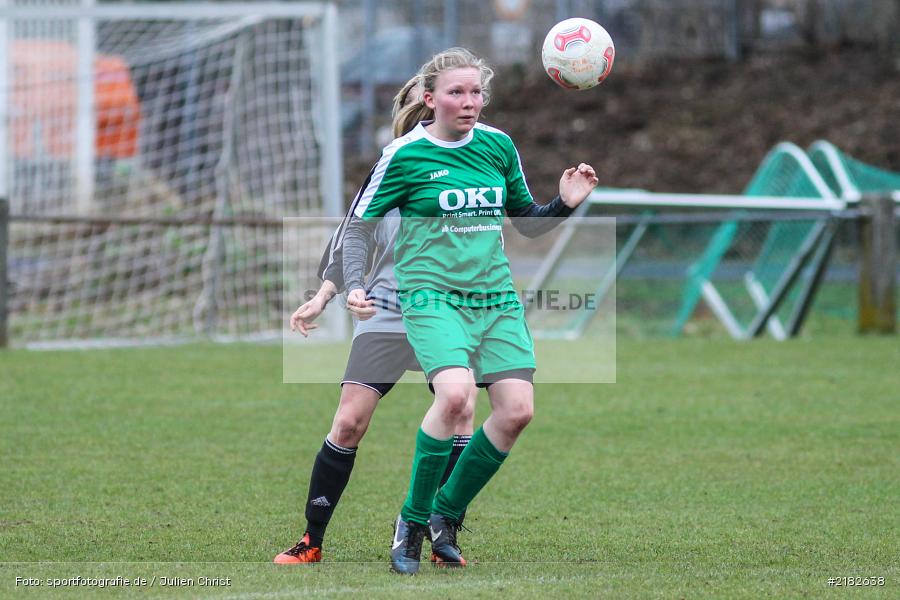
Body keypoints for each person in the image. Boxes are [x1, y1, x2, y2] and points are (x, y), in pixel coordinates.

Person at [341, 47, 599, 574]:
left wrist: (566, 204)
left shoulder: (498, 146)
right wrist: (351, 285)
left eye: (476, 92)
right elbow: (359, 226)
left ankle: (446, 515)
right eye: (457, 93)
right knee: (455, 395)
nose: (469, 102)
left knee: (517, 412)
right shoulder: (405, 155)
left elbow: (525, 220)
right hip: (431, 295)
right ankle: (411, 524)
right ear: (430, 98)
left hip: (496, 298)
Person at [273, 75, 479, 565]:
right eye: (415, 106)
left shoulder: (466, 167)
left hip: (445, 311)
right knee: (349, 422)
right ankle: (311, 539)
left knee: (463, 413)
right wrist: (325, 294)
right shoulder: (391, 166)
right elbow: (350, 235)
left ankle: (438, 530)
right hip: (386, 311)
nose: (424, 115)